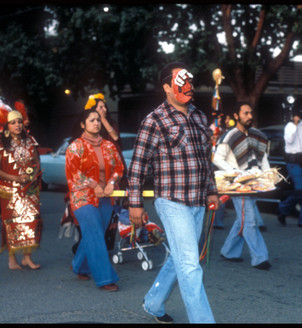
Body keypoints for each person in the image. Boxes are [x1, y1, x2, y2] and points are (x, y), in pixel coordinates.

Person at [128, 62, 219, 323]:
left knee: (181, 257)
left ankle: (154, 302)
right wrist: (135, 204)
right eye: (181, 81)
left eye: (189, 80)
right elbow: (138, 166)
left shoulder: (200, 117)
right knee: (190, 264)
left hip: (198, 202)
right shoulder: (154, 120)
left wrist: (211, 191)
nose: (188, 86)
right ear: (167, 87)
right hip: (171, 201)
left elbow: (206, 159)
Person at [65, 109, 124, 291]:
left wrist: (112, 183)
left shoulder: (109, 146)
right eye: (92, 120)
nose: (96, 123)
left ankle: (79, 266)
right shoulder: (75, 147)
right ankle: (105, 278)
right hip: (83, 197)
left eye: (98, 120)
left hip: (106, 197)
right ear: (83, 124)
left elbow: (119, 168)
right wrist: (94, 185)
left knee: (94, 232)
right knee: (96, 234)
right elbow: (74, 173)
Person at [213, 101, 271, 270]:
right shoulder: (229, 136)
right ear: (236, 116)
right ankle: (260, 257)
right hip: (238, 187)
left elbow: (263, 158)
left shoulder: (257, 135)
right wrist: (235, 172)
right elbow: (217, 159)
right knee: (250, 221)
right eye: (245, 113)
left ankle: (229, 251)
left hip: (255, 183)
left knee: (243, 219)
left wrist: (267, 178)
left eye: (250, 113)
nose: (249, 116)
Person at [0, 110, 42, 270]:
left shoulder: (31, 141)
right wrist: (15, 179)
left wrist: (34, 176)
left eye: (19, 122)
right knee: (12, 224)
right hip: (10, 191)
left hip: (29, 189)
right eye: (13, 122)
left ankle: (27, 257)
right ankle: (12, 259)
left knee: (31, 221)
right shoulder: (0, 144)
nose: (17, 125)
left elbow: (36, 162)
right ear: (7, 126)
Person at [277, 107, 302, 228]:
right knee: (299, 191)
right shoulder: (290, 126)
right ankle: (283, 209)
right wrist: (295, 124)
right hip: (293, 163)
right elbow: (289, 140)